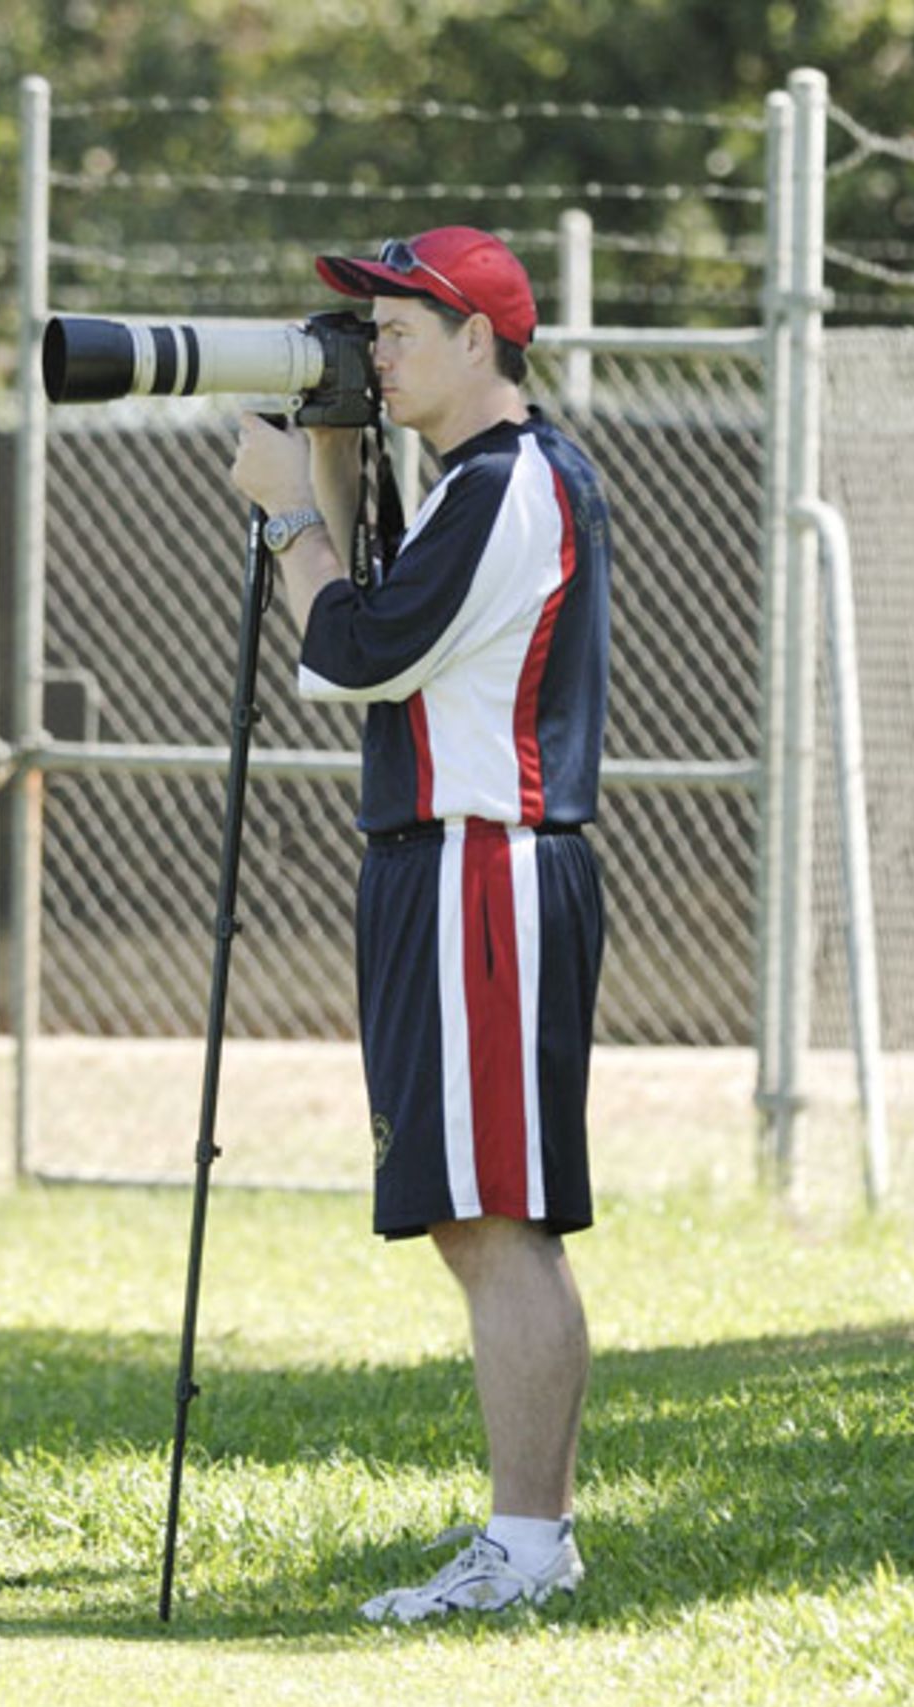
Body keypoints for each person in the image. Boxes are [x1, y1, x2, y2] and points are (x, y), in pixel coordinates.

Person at [230, 226, 611, 1624]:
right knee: (471, 1215)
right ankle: (530, 1538)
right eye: (369, 327)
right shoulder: (480, 484)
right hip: (446, 869)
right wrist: (332, 462)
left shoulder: (513, 484)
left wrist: (289, 516)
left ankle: (527, 1546)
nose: (375, 348)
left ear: (479, 342)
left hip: (483, 870)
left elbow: (355, 651)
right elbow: (382, 626)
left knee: (498, 1218)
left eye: (400, 327)